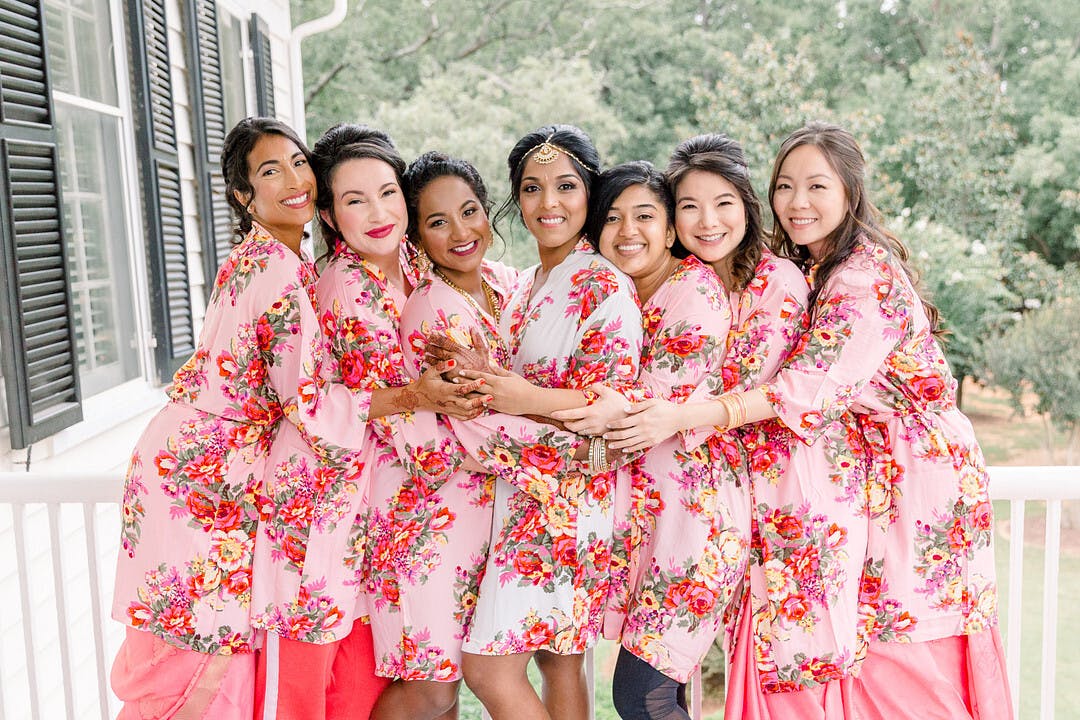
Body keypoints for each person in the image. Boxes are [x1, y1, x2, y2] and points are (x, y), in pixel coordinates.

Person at [618, 122, 1011, 719]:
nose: (798, 202)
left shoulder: (861, 276)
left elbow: (802, 389)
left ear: (850, 190)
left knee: (904, 650)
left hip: (914, 474)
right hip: (864, 473)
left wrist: (677, 416)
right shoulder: (809, 267)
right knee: (859, 646)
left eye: (817, 186)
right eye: (785, 186)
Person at [110, 117, 396, 719]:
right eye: (271, 171)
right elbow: (309, 403)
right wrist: (412, 396)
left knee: (206, 642)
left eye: (298, 163)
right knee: (195, 653)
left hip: (205, 458)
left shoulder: (274, 257)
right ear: (244, 195)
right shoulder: (276, 270)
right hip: (204, 474)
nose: (294, 180)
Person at [248, 124, 483, 720]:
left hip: (442, 498)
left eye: (387, 193)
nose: (378, 213)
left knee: (441, 684)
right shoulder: (343, 286)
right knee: (427, 685)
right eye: (355, 200)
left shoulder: (418, 263)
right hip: (388, 502)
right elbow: (409, 423)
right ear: (329, 215)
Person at [367, 150, 588, 720]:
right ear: (417, 236)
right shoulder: (431, 310)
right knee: (433, 688)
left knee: (509, 667)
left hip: (498, 514)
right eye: (438, 222)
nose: (461, 232)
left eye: (469, 212)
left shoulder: (506, 285)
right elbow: (478, 423)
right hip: (434, 520)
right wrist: (580, 446)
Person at [551, 160, 751, 720]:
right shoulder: (618, 296)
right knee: (661, 695)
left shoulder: (694, 292)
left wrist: (524, 399)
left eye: (644, 216)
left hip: (696, 524)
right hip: (653, 525)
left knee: (643, 697)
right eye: (612, 218)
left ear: (668, 231)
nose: (627, 231)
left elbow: (634, 412)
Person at [454, 125, 642, 720]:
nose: (548, 202)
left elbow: (608, 410)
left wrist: (514, 397)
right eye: (531, 188)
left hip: (566, 498)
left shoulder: (602, 284)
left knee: (486, 668)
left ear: (590, 193)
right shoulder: (526, 286)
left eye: (565, 186)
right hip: (524, 490)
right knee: (559, 661)